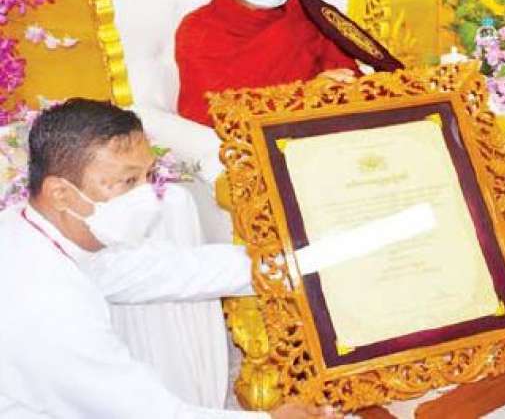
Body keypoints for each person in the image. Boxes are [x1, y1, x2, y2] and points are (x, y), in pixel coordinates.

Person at [0, 98, 340, 419]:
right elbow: (144, 412)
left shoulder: (37, 230)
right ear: (61, 194)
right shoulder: (44, 297)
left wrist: (316, 258)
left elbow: (171, 270)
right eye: (127, 181)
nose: (146, 195)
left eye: (147, 176)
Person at [175, 0, 359, 126]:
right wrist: (307, 95)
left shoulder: (307, 13)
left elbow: (349, 78)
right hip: (252, 139)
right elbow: (209, 110)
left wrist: (333, 87)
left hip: (322, 127)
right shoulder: (198, 29)